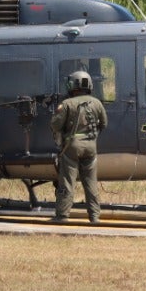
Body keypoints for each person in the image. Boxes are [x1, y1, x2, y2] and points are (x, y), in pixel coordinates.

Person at [51, 70, 107, 224]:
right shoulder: (97, 103)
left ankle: (62, 215)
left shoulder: (67, 104)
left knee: (67, 182)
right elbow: (104, 124)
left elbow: (55, 125)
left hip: (72, 146)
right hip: (91, 146)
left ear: (73, 85)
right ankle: (94, 217)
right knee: (91, 183)